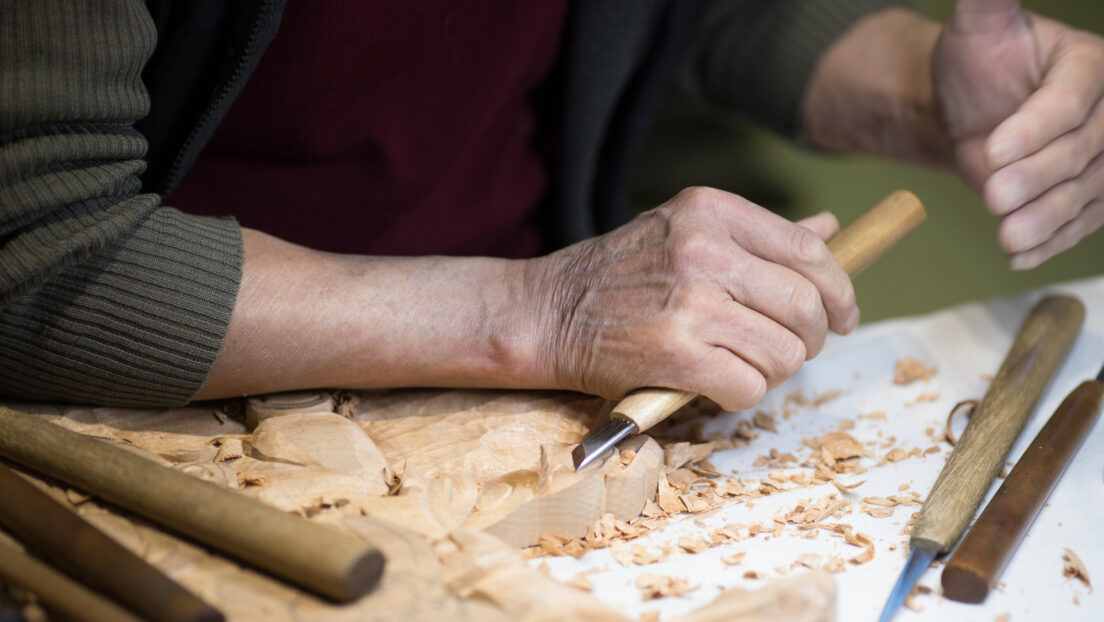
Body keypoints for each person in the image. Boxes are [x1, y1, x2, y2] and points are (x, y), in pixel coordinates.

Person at [1, 0, 1102, 410]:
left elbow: (694, 18)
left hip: (547, 375)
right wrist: (539, 313)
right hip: (156, 401)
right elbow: (37, 250)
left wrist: (925, 94)